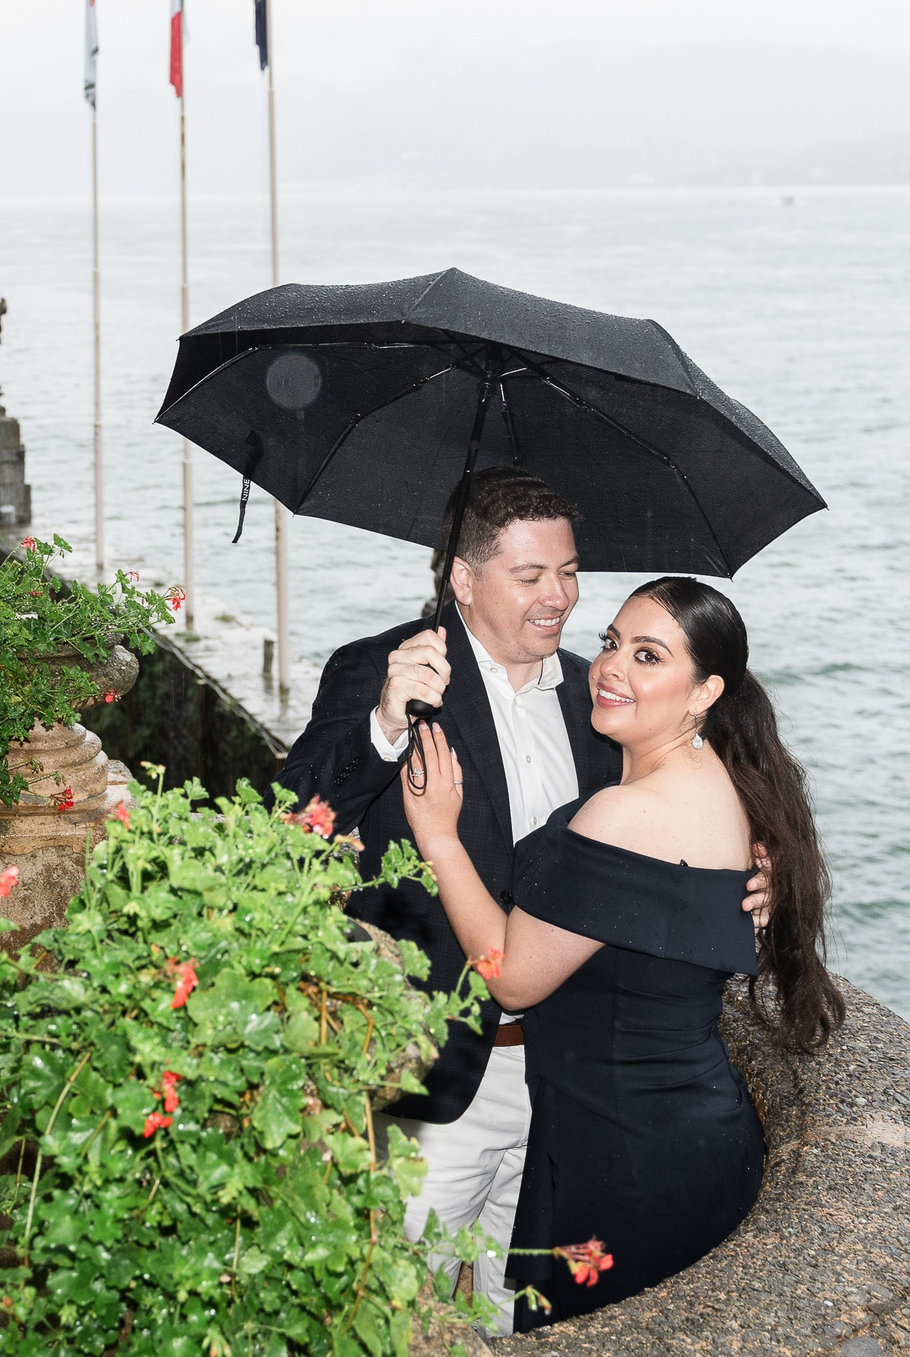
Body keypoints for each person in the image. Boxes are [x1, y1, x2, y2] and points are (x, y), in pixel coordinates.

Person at [275, 470, 769, 1329]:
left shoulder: (599, 693)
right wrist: (383, 728)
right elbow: (286, 829)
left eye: (570, 571)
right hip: (440, 1074)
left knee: (523, 1318)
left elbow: (667, 823)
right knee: (392, 1313)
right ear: (464, 580)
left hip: (572, 1088)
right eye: (530, 575)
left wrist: (756, 867)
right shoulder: (384, 672)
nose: (560, 597)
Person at [400, 576, 843, 1330]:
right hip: (677, 1128)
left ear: (705, 690)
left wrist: (438, 833)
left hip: (628, 1150)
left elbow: (512, 978)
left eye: (648, 655)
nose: (610, 667)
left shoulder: (627, 811)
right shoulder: (723, 785)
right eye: (610, 642)